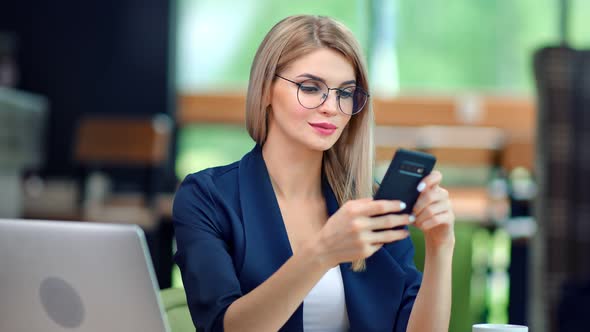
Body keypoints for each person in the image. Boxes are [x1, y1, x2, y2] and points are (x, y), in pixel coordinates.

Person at [173, 15, 454, 332]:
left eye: (345, 93)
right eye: (310, 87)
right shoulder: (207, 197)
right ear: (265, 89)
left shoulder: (371, 205)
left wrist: (441, 246)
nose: (332, 107)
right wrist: (322, 252)